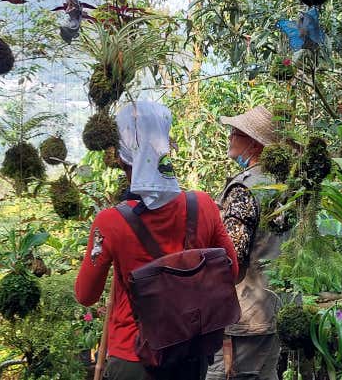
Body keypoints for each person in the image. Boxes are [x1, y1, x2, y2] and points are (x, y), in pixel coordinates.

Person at [75, 101, 239, 380]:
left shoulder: (110, 222)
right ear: (166, 147)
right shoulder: (203, 205)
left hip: (134, 357)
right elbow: (231, 272)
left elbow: (86, 295)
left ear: (123, 156)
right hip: (190, 351)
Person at [206, 105, 288, 380]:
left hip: (245, 315)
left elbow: (232, 257)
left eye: (235, 132)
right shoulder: (284, 185)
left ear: (253, 143)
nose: (230, 137)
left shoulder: (245, 188)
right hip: (277, 307)